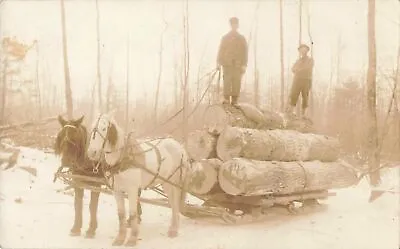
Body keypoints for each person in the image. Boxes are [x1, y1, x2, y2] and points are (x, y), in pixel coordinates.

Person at [217, 17, 248, 106]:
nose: (234, 26)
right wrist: (218, 63)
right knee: (227, 81)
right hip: (227, 64)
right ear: (230, 25)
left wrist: (244, 65)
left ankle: (234, 100)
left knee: (236, 82)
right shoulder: (225, 38)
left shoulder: (241, 38)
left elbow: (245, 52)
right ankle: (226, 99)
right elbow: (221, 51)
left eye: (235, 24)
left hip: (238, 65)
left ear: (237, 26)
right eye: (232, 24)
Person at [288, 44, 314, 117]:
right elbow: (293, 68)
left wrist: (298, 70)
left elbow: (307, 68)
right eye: (301, 50)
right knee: (294, 94)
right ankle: (291, 111)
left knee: (305, 96)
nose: (302, 51)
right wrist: (298, 70)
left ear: (307, 50)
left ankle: (304, 114)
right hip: (297, 80)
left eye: (304, 49)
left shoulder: (310, 60)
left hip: (306, 80)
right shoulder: (298, 61)